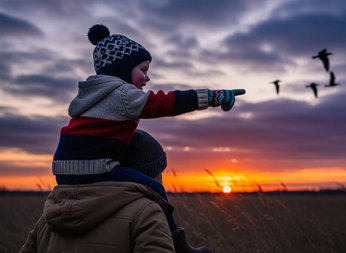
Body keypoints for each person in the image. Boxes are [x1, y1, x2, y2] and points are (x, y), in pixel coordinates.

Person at [51, 24, 244, 252]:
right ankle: (180, 246)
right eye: (143, 69)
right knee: (155, 189)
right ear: (122, 69)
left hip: (63, 170)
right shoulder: (123, 94)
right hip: (96, 166)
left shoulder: (92, 97)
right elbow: (164, 103)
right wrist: (214, 96)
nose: (147, 77)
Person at [19, 130, 177, 252]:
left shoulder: (51, 215)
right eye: (160, 171)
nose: (162, 178)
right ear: (146, 174)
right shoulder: (147, 213)